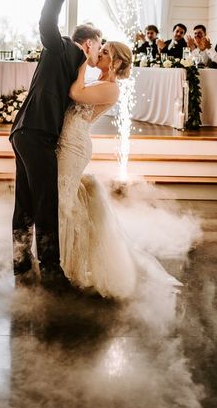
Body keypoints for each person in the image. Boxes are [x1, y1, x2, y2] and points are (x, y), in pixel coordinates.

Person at [58, 41, 178, 298]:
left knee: (63, 202)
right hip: (66, 142)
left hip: (74, 146)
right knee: (63, 200)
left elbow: (75, 94)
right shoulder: (97, 81)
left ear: (118, 63)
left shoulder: (111, 89)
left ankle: (65, 266)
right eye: (100, 51)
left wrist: (81, 61)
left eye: (105, 53)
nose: (99, 54)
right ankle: (65, 259)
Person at [10, 0, 102, 289]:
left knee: (25, 203)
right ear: (89, 43)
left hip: (25, 132)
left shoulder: (73, 64)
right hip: (35, 133)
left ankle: (21, 262)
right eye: (99, 47)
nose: (98, 54)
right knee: (46, 202)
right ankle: (51, 270)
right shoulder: (64, 47)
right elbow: (48, 25)